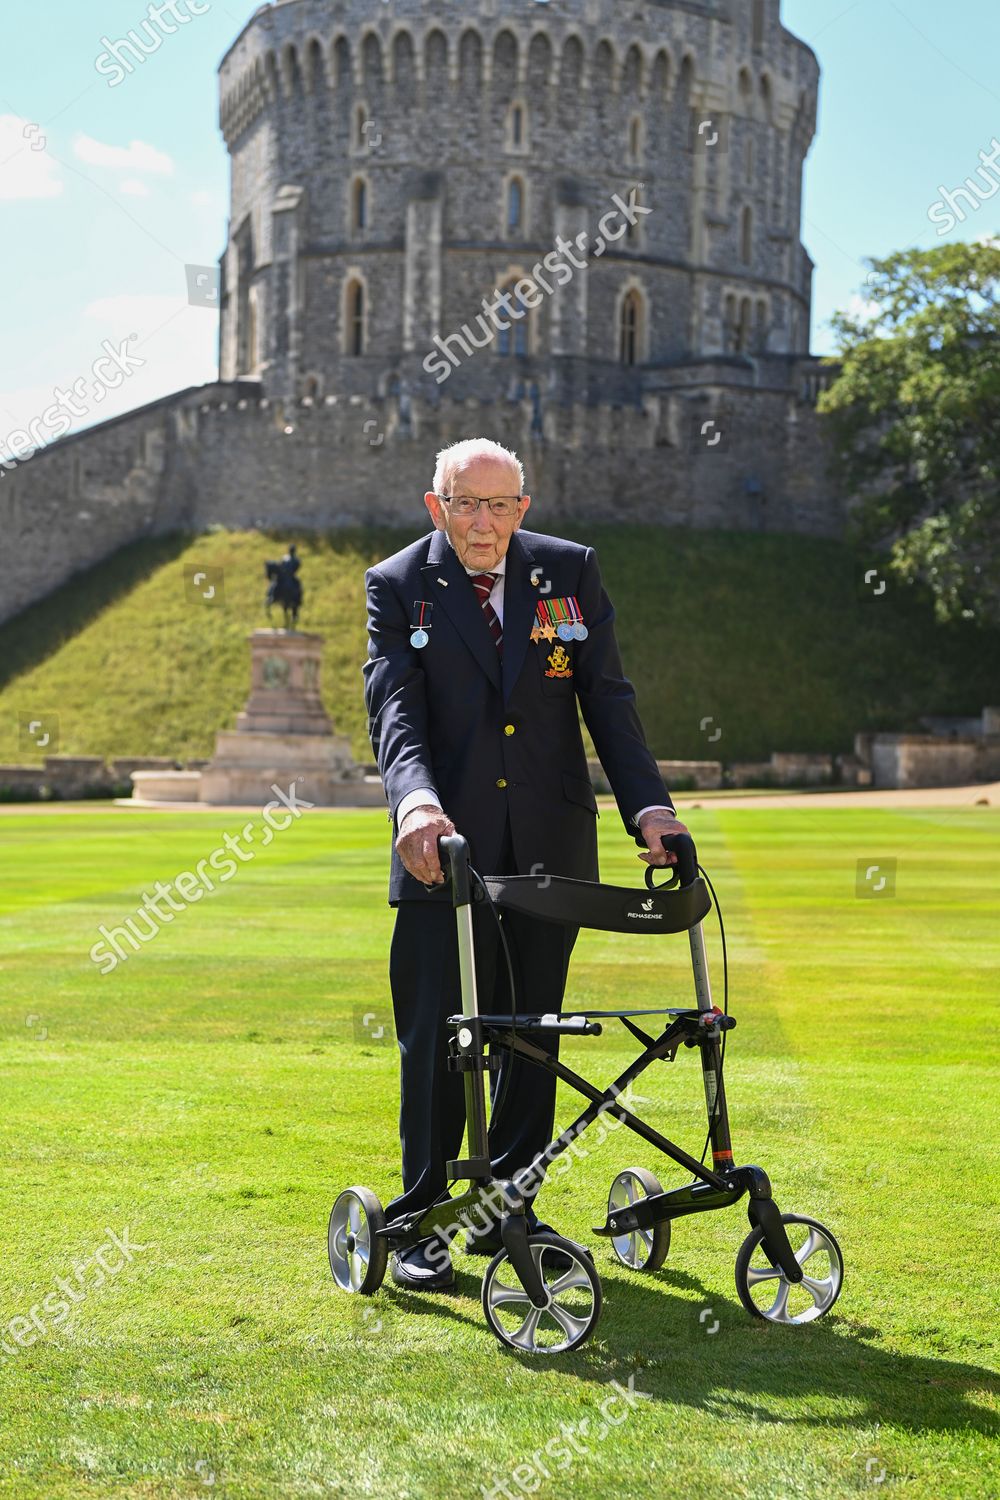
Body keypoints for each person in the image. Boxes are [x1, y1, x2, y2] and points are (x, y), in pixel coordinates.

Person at [362, 438, 689, 1289]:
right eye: (467, 505)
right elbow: (394, 709)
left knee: (532, 1036)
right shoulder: (399, 585)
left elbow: (607, 699)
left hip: (551, 844)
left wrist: (649, 806)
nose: (484, 523)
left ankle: (509, 1205)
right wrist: (415, 804)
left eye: (500, 506)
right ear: (436, 506)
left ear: (523, 509)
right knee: (436, 1036)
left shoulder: (569, 572)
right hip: (443, 849)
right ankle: (425, 1213)